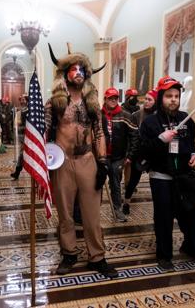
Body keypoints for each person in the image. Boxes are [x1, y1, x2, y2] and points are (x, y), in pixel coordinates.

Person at [45, 43, 118, 278]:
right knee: (65, 214)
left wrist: (103, 162)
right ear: (65, 73)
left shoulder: (92, 102)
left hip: (88, 160)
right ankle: (69, 254)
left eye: (81, 70)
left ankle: (97, 257)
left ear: (86, 74)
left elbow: (99, 132)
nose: (78, 73)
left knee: (91, 214)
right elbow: (43, 132)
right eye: (73, 69)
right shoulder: (54, 102)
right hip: (62, 161)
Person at [140, 76, 195, 270]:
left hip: (185, 177)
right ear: (161, 97)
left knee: (190, 213)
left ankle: (190, 246)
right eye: (169, 96)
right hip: (161, 177)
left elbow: (191, 144)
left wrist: (194, 153)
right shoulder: (150, 123)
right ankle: (164, 254)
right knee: (164, 217)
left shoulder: (186, 120)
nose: (173, 99)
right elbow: (143, 150)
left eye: (176, 96)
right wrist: (161, 139)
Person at [101, 87, 138, 222]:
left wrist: (129, 156)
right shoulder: (99, 115)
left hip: (118, 158)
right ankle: (92, 211)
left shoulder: (125, 116)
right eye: (110, 98)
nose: (113, 100)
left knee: (115, 184)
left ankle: (117, 210)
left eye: (115, 98)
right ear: (105, 99)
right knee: (97, 183)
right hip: (102, 157)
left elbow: (134, 136)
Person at [124, 89, 158, 213]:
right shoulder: (137, 115)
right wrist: (130, 153)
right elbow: (131, 136)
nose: (146, 102)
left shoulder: (159, 116)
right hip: (139, 153)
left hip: (154, 153)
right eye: (146, 99)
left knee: (156, 182)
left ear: (156, 101)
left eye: (150, 99)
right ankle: (126, 203)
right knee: (133, 180)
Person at [10, 94, 28, 180]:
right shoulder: (20, 112)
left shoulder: (30, 111)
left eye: (24, 99)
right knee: (22, 155)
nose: (22, 101)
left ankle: (17, 172)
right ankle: (17, 172)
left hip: (29, 136)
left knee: (23, 155)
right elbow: (17, 124)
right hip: (23, 136)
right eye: (21, 99)